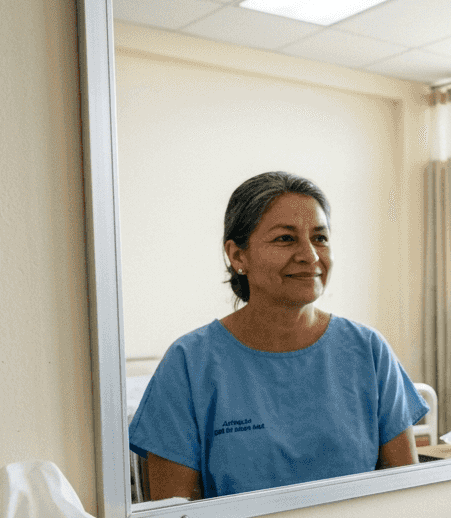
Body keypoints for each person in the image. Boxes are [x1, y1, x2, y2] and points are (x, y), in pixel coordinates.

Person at [128, 171, 428, 500]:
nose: (310, 256)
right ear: (238, 255)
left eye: (320, 238)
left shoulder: (368, 350)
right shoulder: (189, 363)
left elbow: (406, 495)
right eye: (285, 239)